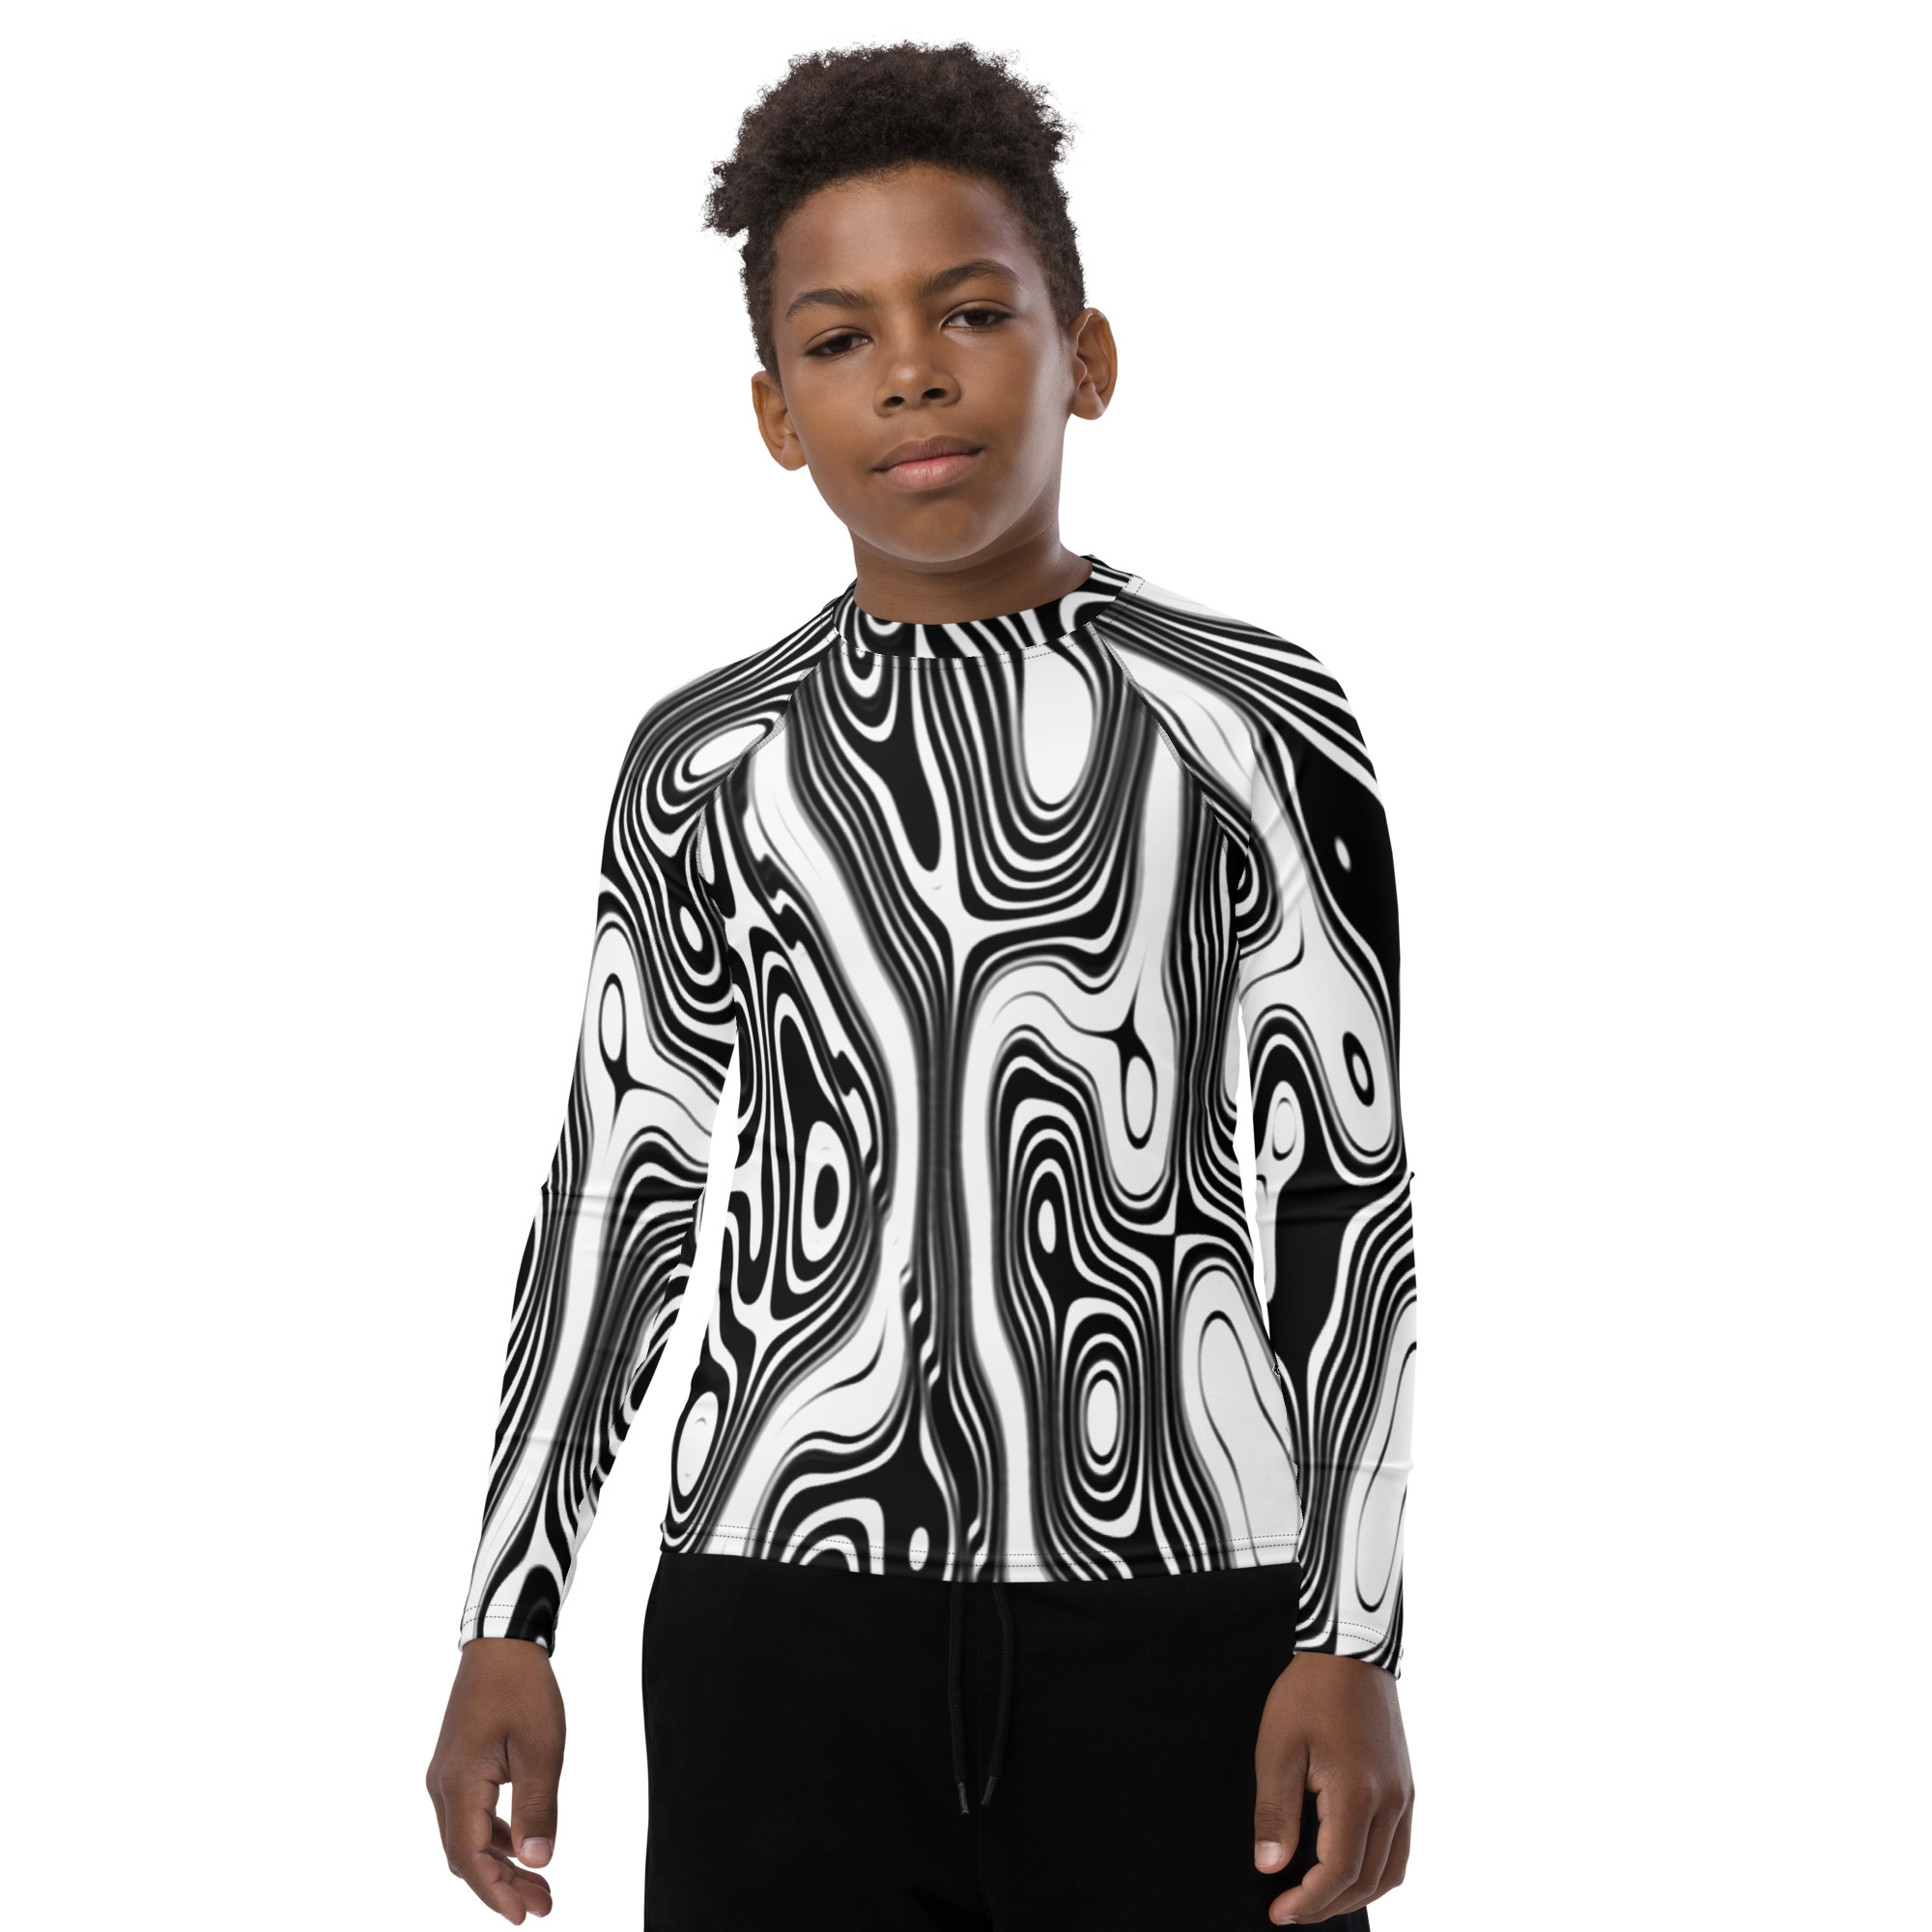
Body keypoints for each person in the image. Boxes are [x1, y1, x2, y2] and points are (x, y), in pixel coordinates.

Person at [426, 42, 1416, 1932]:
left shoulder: (1256, 722)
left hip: (1186, 1616)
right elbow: (625, 1184)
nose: (910, 372)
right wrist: (507, 1614)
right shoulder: (708, 760)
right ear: (774, 413)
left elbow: (1344, 1200)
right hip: (776, 1622)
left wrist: (1350, 1636)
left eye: (970, 311)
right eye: (838, 338)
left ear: (1086, 354)